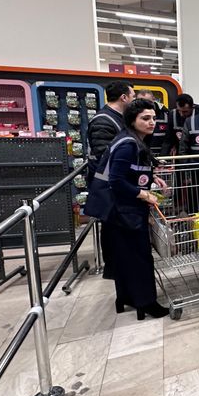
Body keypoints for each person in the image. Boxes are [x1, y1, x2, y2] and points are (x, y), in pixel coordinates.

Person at [84, 98, 169, 320]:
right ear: (132, 120)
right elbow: (117, 181)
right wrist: (145, 194)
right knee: (140, 256)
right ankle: (147, 302)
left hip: (117, 211)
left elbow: (130, 172)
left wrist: (153, 178)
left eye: (153, 118)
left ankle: (126, 297)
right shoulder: (128, 144)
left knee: (125, 256)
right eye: (145, 118)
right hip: (124, 210)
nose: (152, 122)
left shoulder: (130, 139)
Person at [86, 80, 134, 279]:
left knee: (120, 230)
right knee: (112, 228)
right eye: (132, 96)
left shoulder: (119, 118)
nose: (134, 99)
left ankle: (120, 264)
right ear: (123, 97)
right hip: (109, 187)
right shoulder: (103, 121)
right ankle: (114, 268)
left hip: (119, 185)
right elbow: (105, 157)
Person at [135, 89, 173, 156]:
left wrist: (163, 156)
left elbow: (169, 140)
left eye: (148, 102)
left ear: (154, 99)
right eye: (141, 102)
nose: (145, 105)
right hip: (142, 155)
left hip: (162, 157)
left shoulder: (166, 114)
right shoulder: (133, 115)